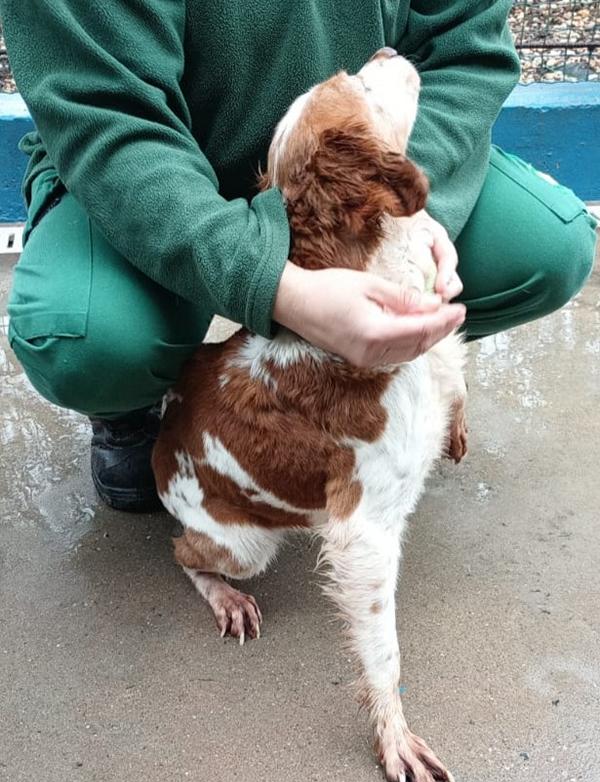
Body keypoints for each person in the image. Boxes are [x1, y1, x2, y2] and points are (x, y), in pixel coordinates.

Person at [1, 1, 596, 512]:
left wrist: (401, 198)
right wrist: (276, 284)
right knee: (85, 340)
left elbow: (466, 48)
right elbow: (109, 116)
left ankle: (359, 371)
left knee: (548, 248)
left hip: (351, 160)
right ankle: (134, 411)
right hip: (155, 173)